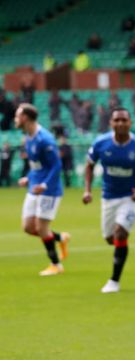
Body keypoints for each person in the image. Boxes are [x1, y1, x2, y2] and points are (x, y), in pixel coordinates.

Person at [83, 107, 135, 293]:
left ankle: (114, 282)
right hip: (108, 197)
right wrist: (87, 191)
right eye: (117, 120)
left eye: (124, 120)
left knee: (120, 234)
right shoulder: (101, 143)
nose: (121, 123)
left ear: (130, 123)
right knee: (110, 239)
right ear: (111, 123)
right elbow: (89, 166)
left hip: (130, 197)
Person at [15, 104, 70, 276]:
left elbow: (56, 166)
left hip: (49, 189)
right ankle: (61, 238)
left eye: (17, 116)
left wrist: (45, 185)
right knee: (28, 227)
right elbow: (37, 166)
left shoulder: (45, 139)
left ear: (25, 118)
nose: (15, 119)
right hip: (34, 186)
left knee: (42, 228)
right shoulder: (28, 137)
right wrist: (29, 177)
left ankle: (56, 264)